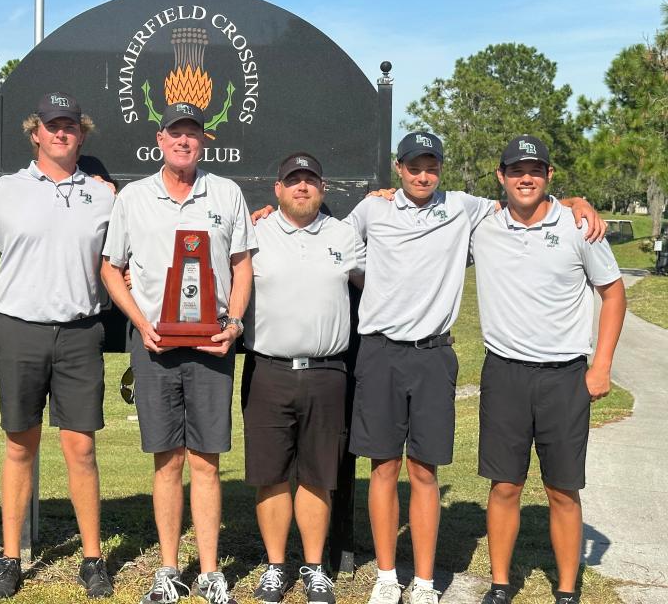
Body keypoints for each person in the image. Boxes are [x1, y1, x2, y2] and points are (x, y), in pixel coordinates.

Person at [347, 132, 605, 604]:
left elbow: (527, 197)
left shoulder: (466, 208)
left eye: (432, 166)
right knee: (383, 466)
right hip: (381, 351)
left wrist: (574, 200)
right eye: (413, 166)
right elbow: (336, 245)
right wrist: (266, 213)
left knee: (425, 471)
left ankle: (424, 582)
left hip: (434, 354)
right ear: (398, 167)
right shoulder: (372, 209)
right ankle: (387, 576)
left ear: (442, 168)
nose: (423, 175)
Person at [101, 102, 255, 604]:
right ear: (160, 139)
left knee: (207, 461)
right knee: (166, 460)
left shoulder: (226, 193)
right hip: (155, 345)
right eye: (176, 133)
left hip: (212, 346)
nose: (184, 141)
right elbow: (111, 268)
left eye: (192, 134)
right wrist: (141, 323)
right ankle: (169, 569)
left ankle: (210, 571)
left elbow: (242, 266)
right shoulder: (134, 198)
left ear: (203, 140)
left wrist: (233, 324)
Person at [471, 136, 625, 604]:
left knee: (562, 489)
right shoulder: (484, 224)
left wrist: (601, 366)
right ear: (501, 176)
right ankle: (500, 585)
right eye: (517, 170)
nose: (526, 178)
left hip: (563, 376)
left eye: (535, 170)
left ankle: (565, 590)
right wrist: (384, 194)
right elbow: (424, 207)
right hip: (505, 374)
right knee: (504, 486)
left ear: (549, 176)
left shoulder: (580, 225)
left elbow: (614, 293)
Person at [0, 93, 115, 599]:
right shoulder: (3, 190)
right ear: (35, 132)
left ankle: (93, 558)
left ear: (82, 135)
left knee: (80, 448)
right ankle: (11, 558)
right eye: (52, 125)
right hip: (19, 329)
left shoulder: (103, 196)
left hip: (80, 332)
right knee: (19, 446)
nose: (62, 133)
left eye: (71, 126)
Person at [241, 153, 364, 604]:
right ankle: (276, 568)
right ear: (277, 189)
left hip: (328, 372)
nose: (302, 187)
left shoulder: (344, 235)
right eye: (293, 180)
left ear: (323, 188)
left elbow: (373, 286)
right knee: (270, 476)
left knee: (317, 475)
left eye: (310, 180)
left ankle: (314, 568)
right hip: (268, 370)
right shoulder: (254, 234)